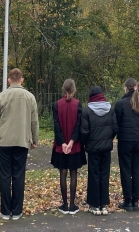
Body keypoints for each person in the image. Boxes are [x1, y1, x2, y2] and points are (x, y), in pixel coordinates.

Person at [0, 68, 39, 221]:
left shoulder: (1, 97)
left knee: (5, 176)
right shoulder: (30, 97)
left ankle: (5, 210)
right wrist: (35, 139)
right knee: (18, 175)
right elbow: (34, 121)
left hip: (4, 141)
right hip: (22, 140)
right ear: (21, 80)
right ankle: (16, 211)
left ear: (9, 80)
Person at [80, 85, 118, 216]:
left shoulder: (87, 111)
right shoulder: (110, 109)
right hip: (106, 147)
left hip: (93, 148)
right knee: (104, 175)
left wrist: (86, 143)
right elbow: (115, 128)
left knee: (94, 175)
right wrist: (108, 139)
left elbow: (84, 131)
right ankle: (104, 205)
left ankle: (94, 204)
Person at [51, 79, 86, 215]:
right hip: (74, 145)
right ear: (74, 89)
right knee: (73, 172)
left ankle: (65, 205)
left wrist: (63, 143)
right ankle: (72, 205)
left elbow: (56, 126)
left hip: (61, 145)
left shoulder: (56, 105)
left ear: (63, 88)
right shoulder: (78, 105)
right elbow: (78, 125)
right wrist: (72, 142)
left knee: (63, 171)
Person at [115, 77, 139, 212]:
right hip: (138, 140)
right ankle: (135, 200)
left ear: (126, 88)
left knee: (126, 170)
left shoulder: (120, 104)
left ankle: (128, 200)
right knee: (136, 170)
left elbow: (116, 122)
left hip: (125, 141)